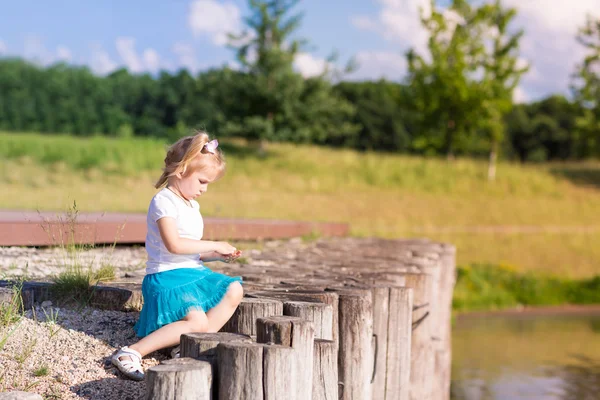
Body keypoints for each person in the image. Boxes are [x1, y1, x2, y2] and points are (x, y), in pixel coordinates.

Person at [111, 131, 244, 381]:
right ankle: (130, 352)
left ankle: (185, 345)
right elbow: (174, 246)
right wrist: (216, 242)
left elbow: (192, 253)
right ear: (181, 171)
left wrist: (216, 255)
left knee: (234, 290)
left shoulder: (192, 205)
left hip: (190, 273)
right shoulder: (164, 202)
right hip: (166, 278)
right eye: (202, 181)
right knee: (197, 321)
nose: (204, 190)